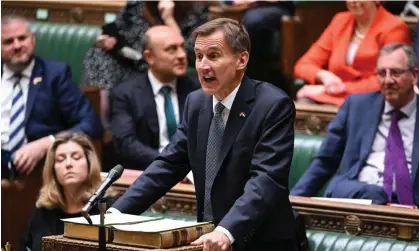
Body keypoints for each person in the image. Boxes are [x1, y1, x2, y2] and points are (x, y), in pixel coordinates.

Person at [108, 18, 298, 251]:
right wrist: (116, 213)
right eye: (199, 56)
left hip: (259, 242)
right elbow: (168, 165)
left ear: (242, 59)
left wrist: (227, 230)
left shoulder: (272, 105)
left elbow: (265, 180)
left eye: (214, 55)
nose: (203, 65)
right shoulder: (197, 103)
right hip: (207, 240)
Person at [291, 43, 419, 207]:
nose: (387, 80)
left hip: (410, 207)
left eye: (395, 73)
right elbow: (325, 161)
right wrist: (293, 201)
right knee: (374, 193)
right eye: (381, 73)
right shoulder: (357, 107)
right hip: (357, 198)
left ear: (415, 75)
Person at [1, 15, 103, 179]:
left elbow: (91, 124)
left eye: (22, 38)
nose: (17, 46)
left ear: (32, 40)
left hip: (38, 173)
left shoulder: (55, 75)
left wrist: (48, 143)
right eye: (8, 42)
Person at [83, 1, 208, 129]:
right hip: (132, 60)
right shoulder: (135, 6)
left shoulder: (195, 11)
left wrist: (169, 19)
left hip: (163, 65)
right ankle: (105, 127)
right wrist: (106, 39)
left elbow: (191, 54)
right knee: (99, 55)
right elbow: (118, 29)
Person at [110, 25, 200, 170]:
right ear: (149, 57)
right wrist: (168, 163)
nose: (182, 55)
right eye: (171, 49)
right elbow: (126, 144)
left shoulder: (199, 90)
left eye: (182, 47)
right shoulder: (125, 94)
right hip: (148, 170)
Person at [295, 1, 411, 107]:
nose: (354, 1)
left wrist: (334, 89)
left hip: (372, 98)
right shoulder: (340, 21)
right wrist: (323, 75)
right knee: (303, 105)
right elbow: (303, 65)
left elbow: (389, 78)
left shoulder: (394, 27)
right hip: (334, 97)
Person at [20, 132, 117, 251]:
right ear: (53, 169)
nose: (68, 164)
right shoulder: (44, 211)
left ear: (89, 164)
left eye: (76, 157)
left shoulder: (107, 208)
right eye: (60, 160)